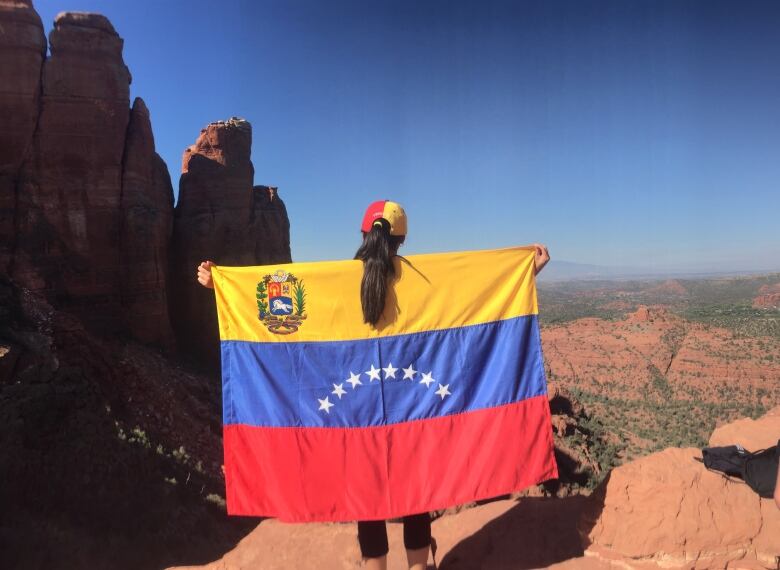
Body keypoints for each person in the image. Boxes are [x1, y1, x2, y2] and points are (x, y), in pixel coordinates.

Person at [196, 200, 550, 569]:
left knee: (367, 495)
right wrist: (527, 271)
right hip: (414, 411)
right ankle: (419, 565)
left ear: (364, 235)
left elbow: (269, 308)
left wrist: (220, 286)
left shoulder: (333, 283)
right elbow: (479, 297)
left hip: (354, 417)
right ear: (401, 240)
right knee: (415, 488)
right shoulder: (426, 279)